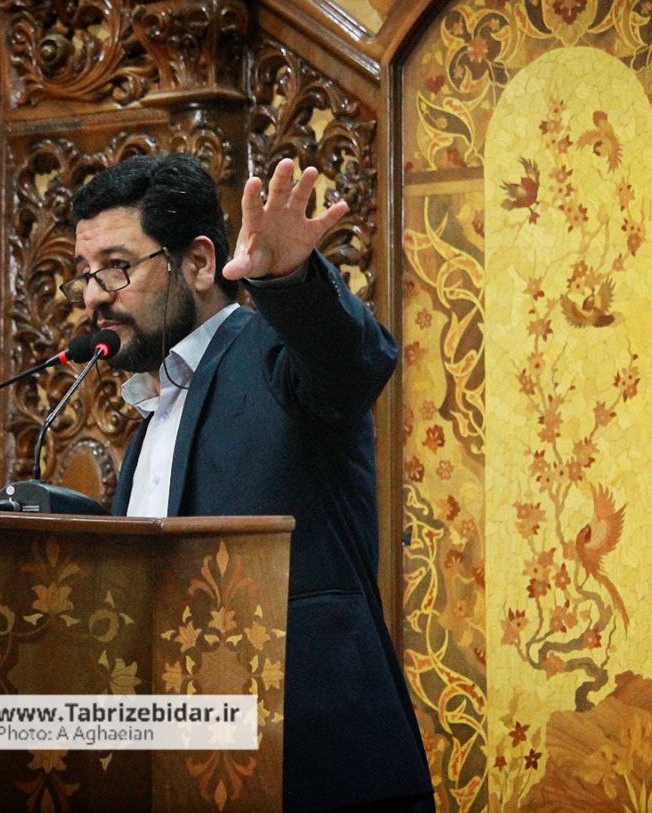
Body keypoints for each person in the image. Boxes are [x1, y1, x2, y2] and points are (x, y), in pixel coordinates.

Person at [67, 153, 435, 811]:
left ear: (199, 263)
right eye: (85, 273)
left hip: (316, 774)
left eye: (117, 267)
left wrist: (290, 279)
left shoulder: (275, 353)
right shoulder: (152, 415)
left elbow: (355, 363)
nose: (94, 295)